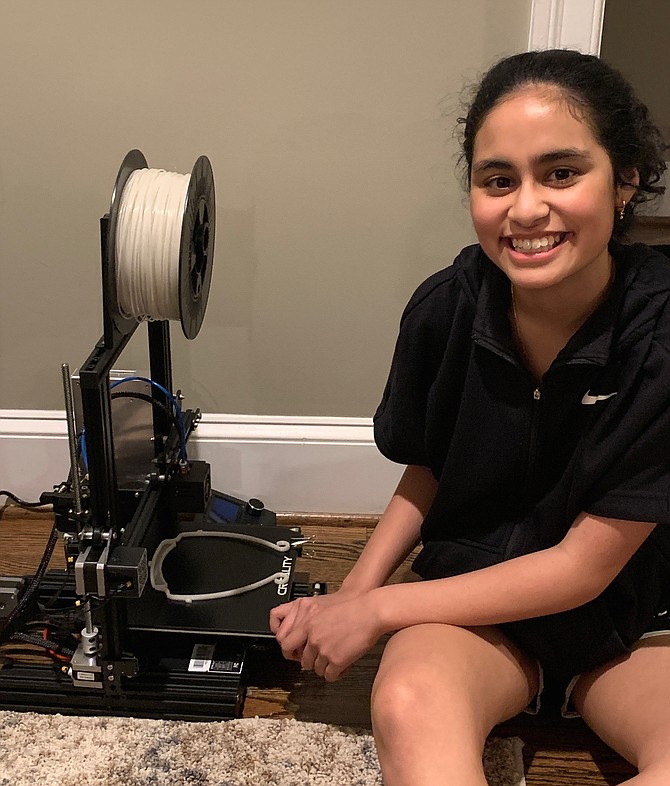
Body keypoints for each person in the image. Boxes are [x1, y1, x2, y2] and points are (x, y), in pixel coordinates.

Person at [270, 49, 670, 785]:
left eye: (561, 172)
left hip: (637, 621)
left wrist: (383, 609)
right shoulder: (445, 308)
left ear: (627, 180)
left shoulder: (662, 336)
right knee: (407, 706)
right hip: (474, 610)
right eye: (498, 180)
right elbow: (429, 466)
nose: (525, 208)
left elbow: (586, 567)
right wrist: (355, 596)